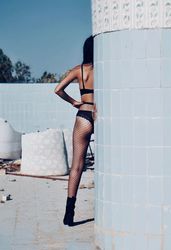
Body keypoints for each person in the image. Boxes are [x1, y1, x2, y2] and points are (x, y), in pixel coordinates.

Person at [54, 35, 95, 226]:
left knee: (76, 166)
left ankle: (69, 214)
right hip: (99, 116)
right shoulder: (103, 68)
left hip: (83, 116)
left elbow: (58, 89)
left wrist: (74, 103)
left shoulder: (78, 71)